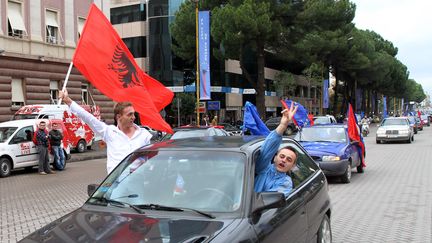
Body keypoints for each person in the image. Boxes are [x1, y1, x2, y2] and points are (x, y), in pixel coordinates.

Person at [59, 90, 153, 174]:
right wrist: (68, 101)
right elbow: (88, 117)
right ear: (118, 117)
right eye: (130, 114)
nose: (134, 117)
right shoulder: (109, 132)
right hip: (116, 186)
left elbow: (150, 160)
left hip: (139, 183)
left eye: (134, 114)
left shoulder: (143, 135)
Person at [255, 103, 298, 197]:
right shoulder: (263, 168)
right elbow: (267, 148)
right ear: (274, 158)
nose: (284, 160)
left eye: (289, 160)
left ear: (292, 166)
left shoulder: (286, 183)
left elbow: (269, 201)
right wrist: (283, 125)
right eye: (282, 156)